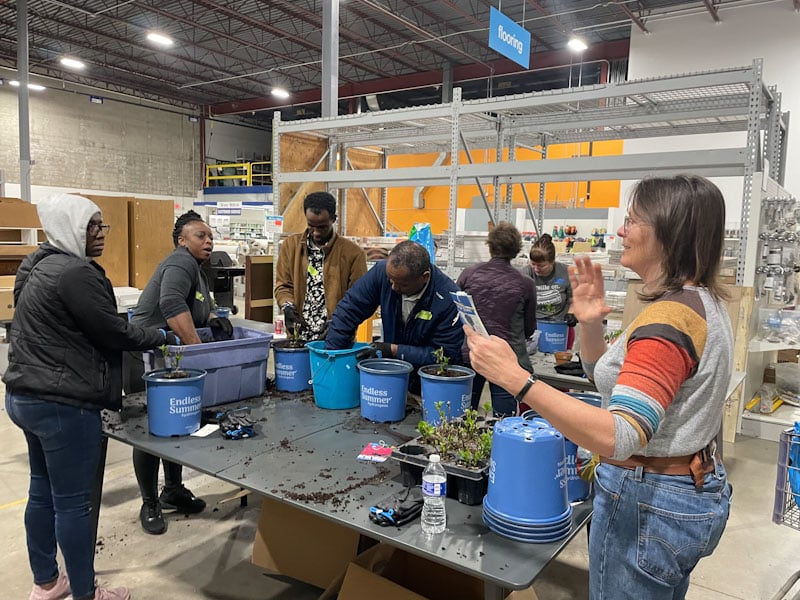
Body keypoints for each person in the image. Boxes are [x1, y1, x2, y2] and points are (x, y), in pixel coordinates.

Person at [465, 175, 733, 600]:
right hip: (682, 493)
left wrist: (518, 380)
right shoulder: (697, 303)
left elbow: (619, 435)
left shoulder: (670, 321)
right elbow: (605, 379)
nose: (620, 231)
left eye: (632, 220)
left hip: (647, 502)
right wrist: (589, 322)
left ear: (668, 232)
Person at [4, 193, 179, 600]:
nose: (101, 235)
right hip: (63, 401)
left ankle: (46, 582)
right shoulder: (76, 274)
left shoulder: (35, 264)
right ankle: (86, 593)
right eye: (92, 226)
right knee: (73, 504)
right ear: (70, 228)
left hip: (24, 394)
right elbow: (113, 332)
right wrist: (160, 336)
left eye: (102, 226)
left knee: (41, 490)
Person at [125, 210, 231, 535]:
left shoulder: (198, 269)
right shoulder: (180, 261)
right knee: (150, 428)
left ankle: (172, 490)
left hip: (168, 354)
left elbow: (200, 303)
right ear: (182, 240)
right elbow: (172, 305)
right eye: (201, 235)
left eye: (211, 236)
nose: (209, 240)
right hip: (144, 355)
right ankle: (149, 503)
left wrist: (213, 317)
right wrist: (199, 350)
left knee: (174, 424)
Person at [325, 240, 464, 392]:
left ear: (424, 277)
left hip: (429, 386)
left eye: (402, 284)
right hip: (391, 378)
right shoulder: (382, 273)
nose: (393, 287)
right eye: (391, 280)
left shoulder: (447, 300)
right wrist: (331, 359)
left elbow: (444, 356)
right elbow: (349, 310)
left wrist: (395, 350)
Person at [456, 222, 537, 416]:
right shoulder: (525, 283)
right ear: (516, 250)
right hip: (506, 358)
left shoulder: (469, 275)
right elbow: (529, 328)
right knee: (504, 418)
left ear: (490, 246)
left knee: (465, 415)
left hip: (472, 352)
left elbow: (456, 312)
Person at [275, 191, 367, 339]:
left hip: (337, 338)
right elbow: (283, 285)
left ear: (333, 219)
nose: (316, 232)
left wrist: (340, 321)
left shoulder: (353, 254)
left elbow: (360, 298)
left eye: (322, 227)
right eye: (311, 226)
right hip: (298, 337)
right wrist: (288, 307)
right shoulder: (290, 247)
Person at [521, 233, 573, 322]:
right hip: (532, 322)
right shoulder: (525, 273)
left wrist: (572, 313)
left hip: (559, 322)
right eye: (533, 264)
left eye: (541, 266)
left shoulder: (566, 272)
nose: (536, 269)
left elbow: (573, 298)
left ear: (552, 261)